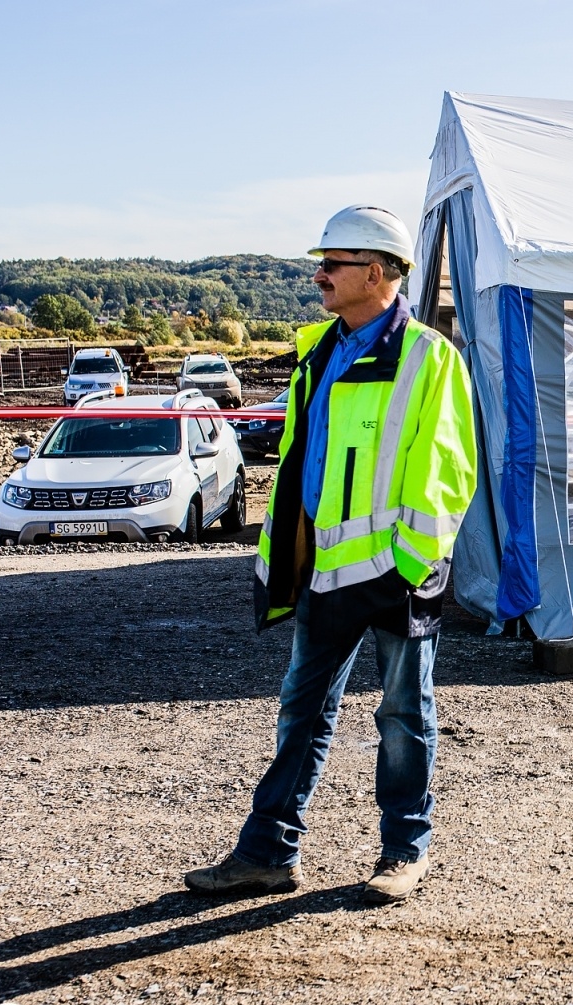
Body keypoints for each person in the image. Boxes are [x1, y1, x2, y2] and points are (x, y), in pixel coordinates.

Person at [187, 205, 477, 902]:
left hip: (398, 576)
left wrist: (412, 565)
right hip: (325, 573)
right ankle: (267, 853)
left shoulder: (429, 359)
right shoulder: (319, 351)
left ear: (375, 272)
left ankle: (405, 851)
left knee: (405, 715)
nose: (318, 275)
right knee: (302, 712)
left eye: (331, 264)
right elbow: (300, 463)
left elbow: (447, 473)